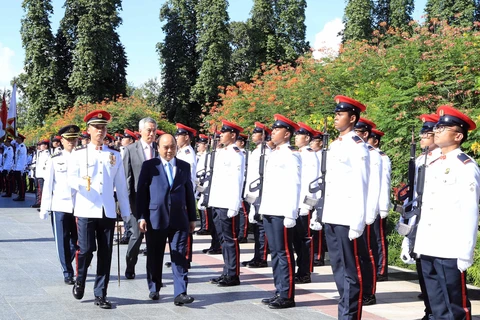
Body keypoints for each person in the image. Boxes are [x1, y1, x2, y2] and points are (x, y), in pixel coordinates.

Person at [414, 105, 480, 319]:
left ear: (458, 135)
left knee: (455, 309)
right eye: (438, 127)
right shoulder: (431, 163)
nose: (438, 131)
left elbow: (470, 211)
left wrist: (465, 252)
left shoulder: (466, 166)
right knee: (436, 306)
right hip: (428, 245)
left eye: (444, 128)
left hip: (450, 248)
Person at [68, 110, 130, 309]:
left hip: (107, 210)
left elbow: (120, 185)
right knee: (85, 250)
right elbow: (69, 178)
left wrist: (127, 212)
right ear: (89, 130)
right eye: (96, 127)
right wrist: (80, 182)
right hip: (86, 208)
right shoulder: (79, 154)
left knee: (106, 252)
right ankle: (80, 279)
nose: (100, 131)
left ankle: (100, 293)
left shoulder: (114, 155)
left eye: (103, 128)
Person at [321, 95, 370, 319]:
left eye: (339, 115)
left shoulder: (357, 146)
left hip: (347, 218)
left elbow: (361, 184)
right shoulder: (335, 144)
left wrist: (357, 221)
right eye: (335, 114)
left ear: (352, 118)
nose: (335, 118)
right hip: (333, 214)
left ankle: (350, 316)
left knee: (350, 272)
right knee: (338, 269)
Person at [136, 134, 196, 304]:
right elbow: (142, 193)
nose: (169, 151)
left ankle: (180, 292)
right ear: (158, 147)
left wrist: (192, 217)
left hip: (179, 218)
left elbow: (189, 192)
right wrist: (141, 216)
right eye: (165, 147)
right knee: (155, 254)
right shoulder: (149, 166)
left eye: (172, 147)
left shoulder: (184, 166)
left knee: (179, 254)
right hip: (156, 217)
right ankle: (154, 287)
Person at [400, 113, 440, 320]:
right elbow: (413, 193)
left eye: (428, 133)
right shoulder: (420, 159)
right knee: (422, 269)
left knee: (438, 274)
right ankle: (429, 311)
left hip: (433, 220)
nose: (423, 137)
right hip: (418, 218)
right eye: (423, 133)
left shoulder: (440, 160)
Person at [258, 114, 301, 309]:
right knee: (275, 253)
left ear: (287, 133)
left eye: (277, 129)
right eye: (273, 128)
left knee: (284, 253)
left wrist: (291, 213)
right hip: (270, 208)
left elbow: (294, 184)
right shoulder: (274, 153)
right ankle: (279, 289)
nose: (273, 132)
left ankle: (287, 294)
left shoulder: (291, 155)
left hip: (282, 211)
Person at [39, 125, 80, 285]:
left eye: (74, 139)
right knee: (62, 240)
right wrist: (45, 207)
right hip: (59, 205)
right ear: (61, 140)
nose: (71, 142)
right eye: (68, 139)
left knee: (77, 241)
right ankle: (67, 271)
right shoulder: (54, 160)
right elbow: (48, 185)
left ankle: (69, 261)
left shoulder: (82, 158)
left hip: (78, 205)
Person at [207, 120, 245, 287]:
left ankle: (233, 274)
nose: (220, 135)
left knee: (230, 239)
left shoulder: (236, 153)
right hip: (218, 200)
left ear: (233, 135)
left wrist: (234, 204)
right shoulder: (222, 152)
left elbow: (237, 180)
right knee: (223, 239)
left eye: (224, 132)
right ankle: (226, 271)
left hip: (227, 202)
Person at [123, 117, 158, 284]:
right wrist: (124, 203)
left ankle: (153, 275)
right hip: (137, 201)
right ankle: (130, 265)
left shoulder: (159, 149)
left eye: (154, 130)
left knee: (154, 240)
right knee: (136, 237)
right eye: (148, 130)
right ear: (141, 131)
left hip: (156, 202)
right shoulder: (130, 150)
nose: (151, 133)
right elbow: (126, 177)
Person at [353, 117, 381, 306]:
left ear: (365, 134)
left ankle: (369, 291)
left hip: (366, 211)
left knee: (366, 252)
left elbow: (374, 186)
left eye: (358, 132)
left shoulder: (373, 155)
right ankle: (357, 290)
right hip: (352, 210)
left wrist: (371, 212)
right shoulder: (352, 149)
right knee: (354, 254)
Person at [242, 122, 271, 268]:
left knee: (262, 227)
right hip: (254, 193)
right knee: (257, 226)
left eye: (256, 132)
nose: (253, 135)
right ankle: (257, 256)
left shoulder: (266, 152)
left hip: (261, 194)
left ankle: (262, 257)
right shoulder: (256, 151)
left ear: (264, 135)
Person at [293, 122, 319, 284]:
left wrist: (307, 205)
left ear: (307, 138)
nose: (296, 138)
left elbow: (311, 182)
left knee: (305, 240)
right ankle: (300, 269)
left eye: (299, 135)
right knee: (297, 240)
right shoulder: (299, 154)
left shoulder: (310, 155)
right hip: (296, 204)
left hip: (304, 204)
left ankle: (305, 272)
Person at [368, 128, 391, 284]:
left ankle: (381, 270)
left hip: (377, 204)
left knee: (379, 238)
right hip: (367, 205)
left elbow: (385, 183)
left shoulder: (382, 157)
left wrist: (383, 206)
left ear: (375, 141)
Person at [175, 123, 197, 268]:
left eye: (179, 135)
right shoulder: (181, 152)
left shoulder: (188, 153)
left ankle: (186, 257)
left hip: (185, 195)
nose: (176, 138)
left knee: (186, 228)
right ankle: (180, 255)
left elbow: (189, 178)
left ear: (186, 137)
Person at [32, 140, 50, 208]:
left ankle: (43, 204)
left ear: (46, 146)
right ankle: (39, 202)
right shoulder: (40, 153)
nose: (39, 146)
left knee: (42, 190)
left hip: (42, 174)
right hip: (38, 174)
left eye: (41, 145)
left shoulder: (46, 153)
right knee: (38, 189)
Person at [12, 134, 27, 201]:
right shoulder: (19, 146)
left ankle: (22, 196)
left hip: (20, 168)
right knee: (18, 183)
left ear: (20, 139)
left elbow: (23, 159)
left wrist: (22, 168)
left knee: (21, 183)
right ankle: (20, 195)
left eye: (17, 138)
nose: (16, 140)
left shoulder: (22, 146)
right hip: (17, 167)